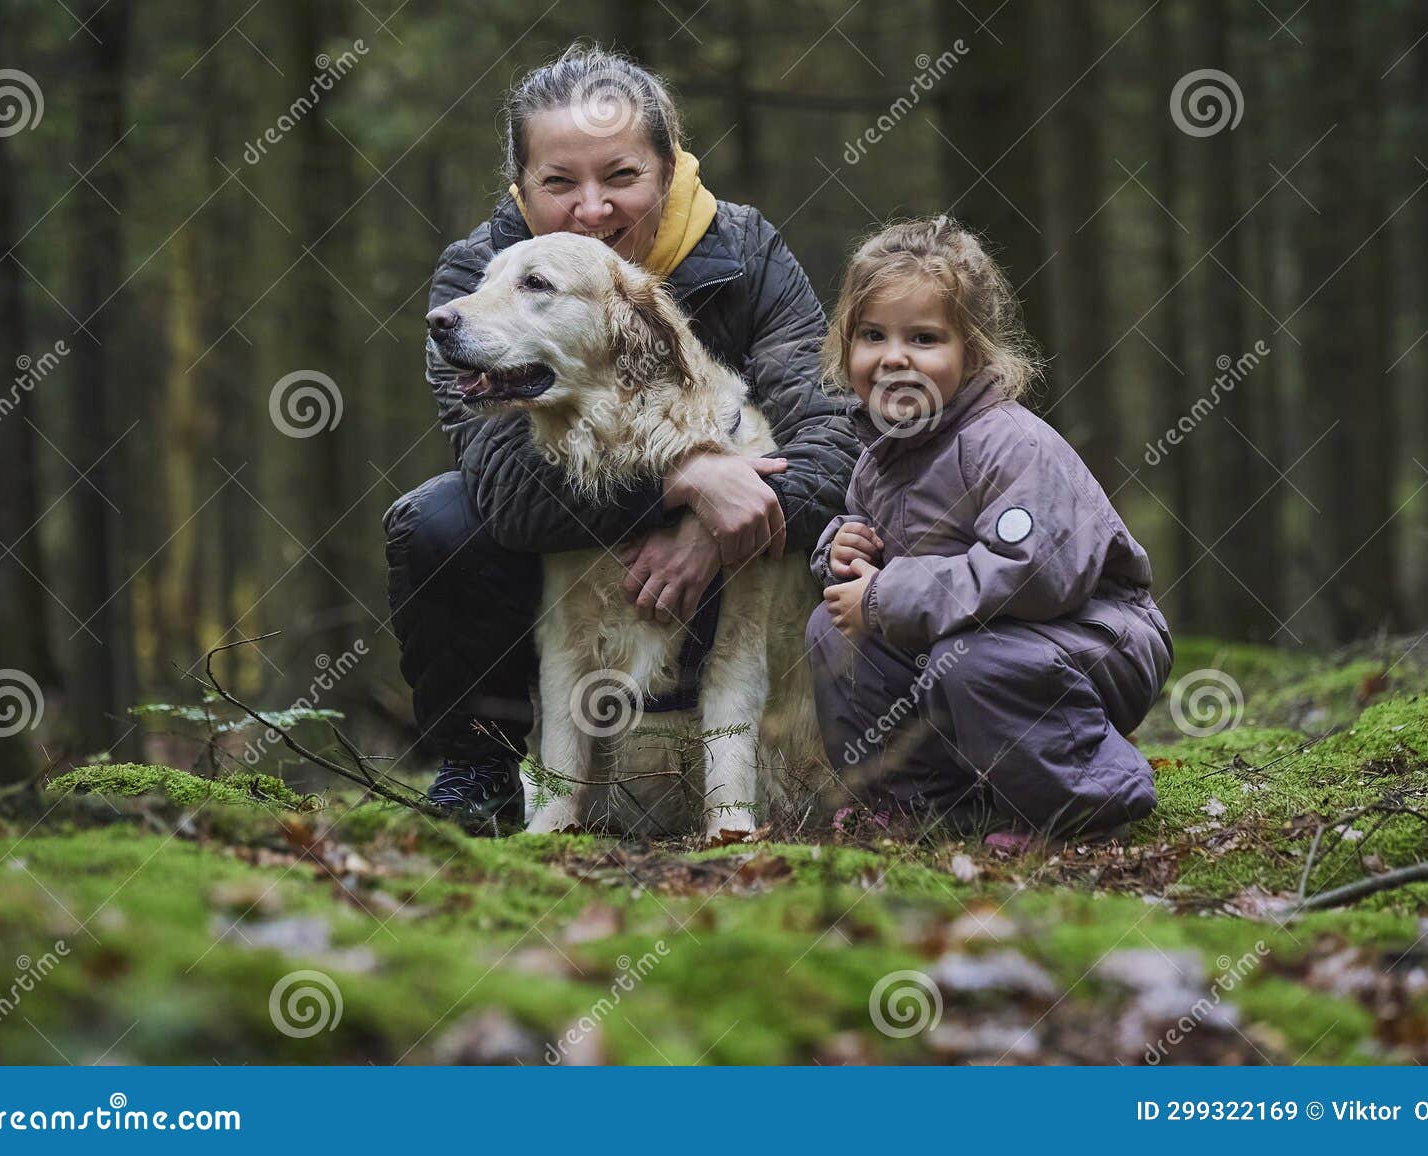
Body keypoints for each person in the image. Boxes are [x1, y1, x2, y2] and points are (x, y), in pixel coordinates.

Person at [384, 45, 856, 831]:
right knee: (439, 521)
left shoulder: (746, 254)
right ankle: (480, 769)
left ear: (669, 172)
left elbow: (833, 434)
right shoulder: (476, 279)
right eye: (559, 182)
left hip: (743, 580)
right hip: (568, 568)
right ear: (521, 185)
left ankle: (856, 764)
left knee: (875, 514)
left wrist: (718, 525)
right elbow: (505, 487)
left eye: (622, 177)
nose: (592, 209)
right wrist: (684, 483)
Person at [805, 217, 1174, 838]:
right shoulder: (879, 459)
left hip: (1090, 638)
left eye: (923, 338)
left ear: (971, 353)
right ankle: (924, 805)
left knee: (971, 658)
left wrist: (885, 595)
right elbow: (877, 563)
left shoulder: (1009, 444)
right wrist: (841, 550)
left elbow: (1031, 574)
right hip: (973, 645)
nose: (894, 356)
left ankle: (1089, 800)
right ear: (847, 348)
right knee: (833, 632)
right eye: (872, 335)